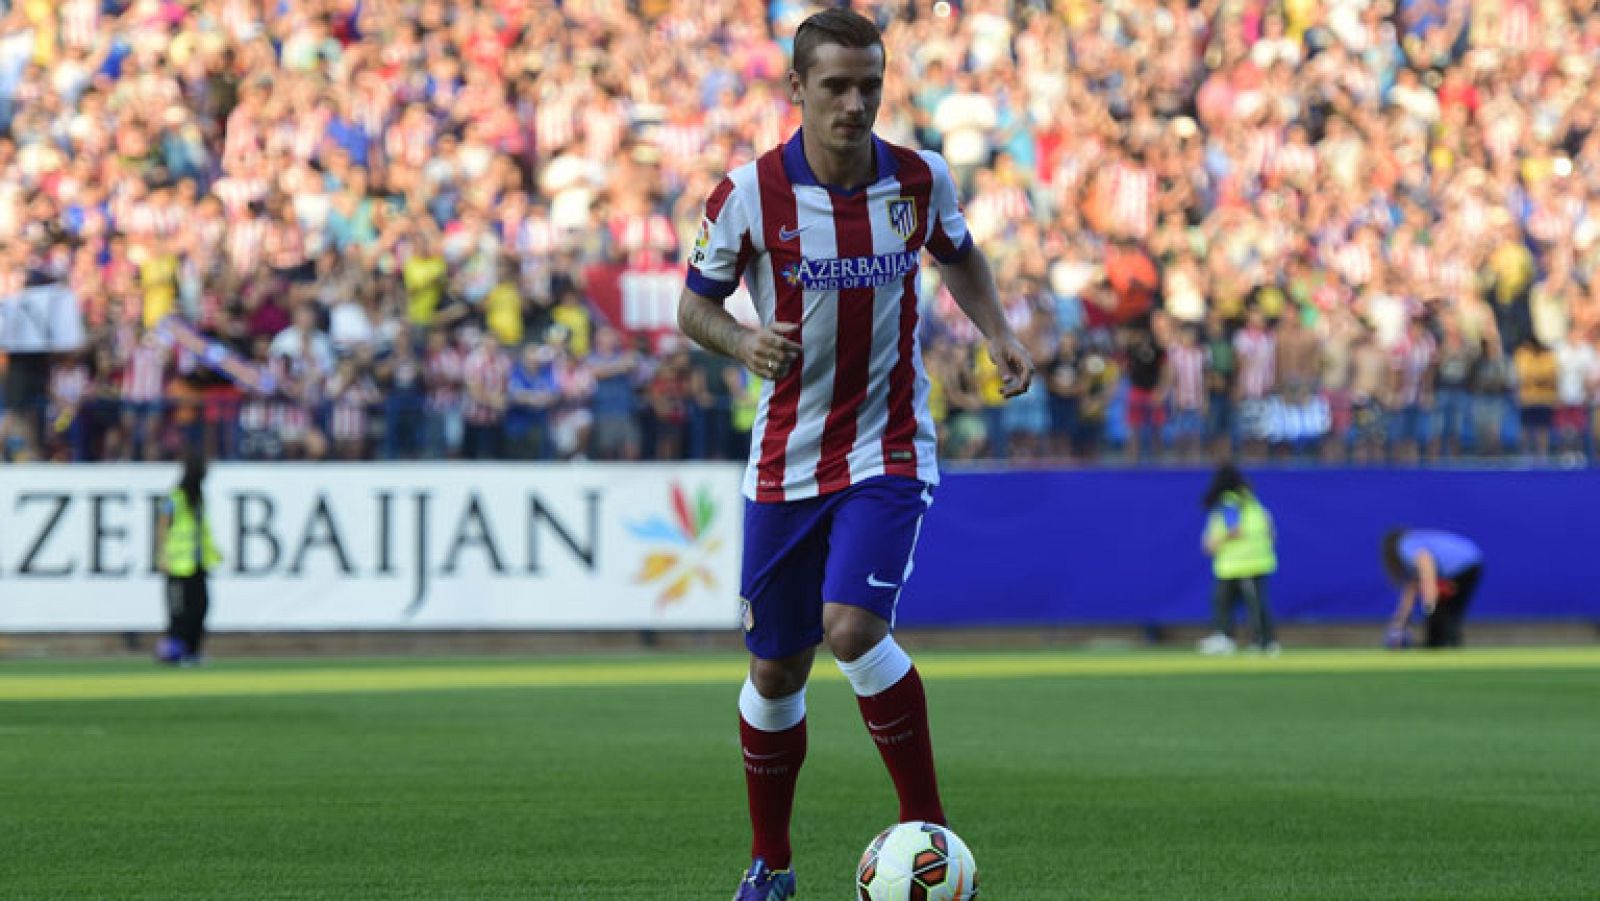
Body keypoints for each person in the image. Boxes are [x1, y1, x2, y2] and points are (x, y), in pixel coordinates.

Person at [674, 11, 1034, 899]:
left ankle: (937, 843)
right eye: (835, 85)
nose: (855, 102)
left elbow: (961, 255)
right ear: (797, 89)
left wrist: (998, 333)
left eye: (869, 84)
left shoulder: (919, 179)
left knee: (853, 628)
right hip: (785, 460)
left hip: (889, 445)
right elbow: (694, 306)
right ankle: (773, 862)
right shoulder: (749, 194)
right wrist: (741, 342)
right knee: (776, 666)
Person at [1197, 464, 1280, 656]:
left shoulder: (1231, 503)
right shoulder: (1252, 501)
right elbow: (1269, 528)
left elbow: (1234, 530)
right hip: (1252, 559)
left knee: (1246, 604)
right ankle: (1235, 638)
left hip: (1241, 562)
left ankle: (1262, 642)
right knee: (1235, 602)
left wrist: (1214, 542)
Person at [154, 452, 222, 666]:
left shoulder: (198, 497)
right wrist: (162, 556)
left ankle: (192, 651)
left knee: (200, 608)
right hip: (178, 565)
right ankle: (175, 653)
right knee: (180, 612)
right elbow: (162, 527)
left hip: (197, 563)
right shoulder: (175, 497)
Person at [1382, 528, 1484, 648]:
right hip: (1471, 562)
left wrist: (1430, 603)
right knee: (1446, 612)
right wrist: (1401, 620)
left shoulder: (1406, 545)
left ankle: (1440, 646)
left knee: (1444, 612)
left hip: (1463, 567)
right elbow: (1412, 588)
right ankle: (1442, 645)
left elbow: (1426, 568)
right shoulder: (1415, 542)